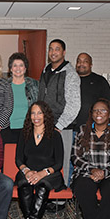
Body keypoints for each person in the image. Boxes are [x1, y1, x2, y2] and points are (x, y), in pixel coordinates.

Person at [15, 101, 64, 219]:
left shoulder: (55, 135)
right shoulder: (24, 133)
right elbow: (18, 159)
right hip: (28, 171)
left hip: (49, 173)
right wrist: (27, 171)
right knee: (24, 186)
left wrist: (43, 173)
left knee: (42, 187)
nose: (36, 116)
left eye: (39, 113)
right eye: (33, 113)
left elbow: (59, 163)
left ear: (46, 115)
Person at [38, 39, 80, 188]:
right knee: (48, 161)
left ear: (64, 52)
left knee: (63, 161)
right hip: (45, 126)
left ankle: (62, 197)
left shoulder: (70, 74)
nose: (53, 52)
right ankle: (49, 193)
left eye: (57, 49)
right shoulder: (46, 70)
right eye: (51, 49)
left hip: (62, 127)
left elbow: (74, 105)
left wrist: (59, 125)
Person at [69, 52, 110, 183]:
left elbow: (108, 105)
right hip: (70, 129)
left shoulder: (100, 81)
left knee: (90, 160)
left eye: (85, 61)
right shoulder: (70, 80)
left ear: (91, 64)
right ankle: (70, 189)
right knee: (70, 160)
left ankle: (92, 185)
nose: (81, 63)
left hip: (91, 131)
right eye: (79, 61)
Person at [7, 52, 39, 143]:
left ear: (25, 68)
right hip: (8, 129)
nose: (18, 68)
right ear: (10, 69)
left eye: (21, 65)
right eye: (15, 65)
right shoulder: (4, 86)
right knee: (9, 156)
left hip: (28, 129)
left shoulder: (34, 85)